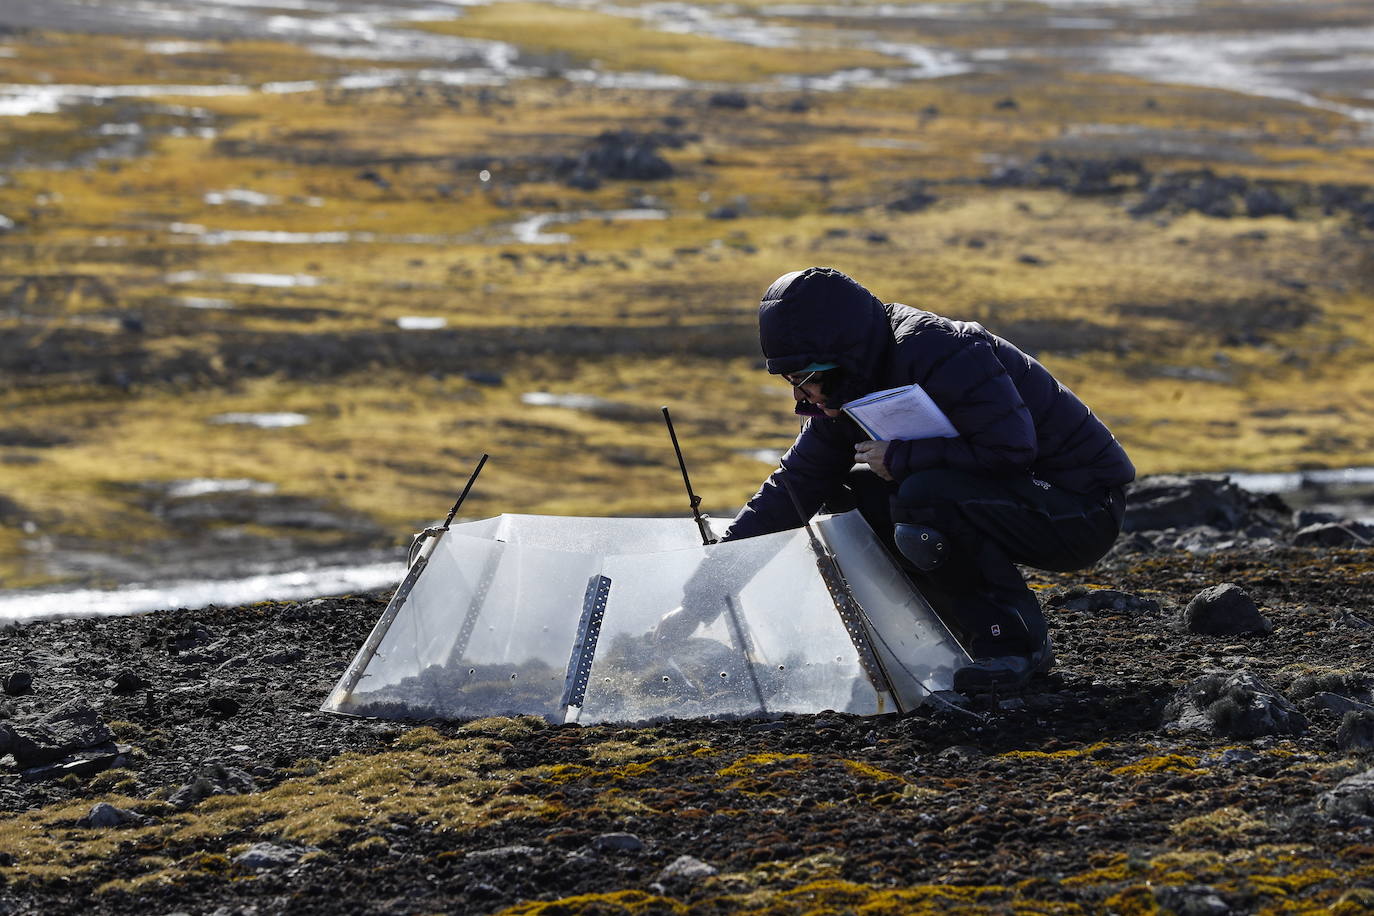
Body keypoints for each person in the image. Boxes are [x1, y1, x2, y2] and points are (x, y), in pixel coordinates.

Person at [659, 266, 1135, 695]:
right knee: (852, 496)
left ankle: (1012, 648)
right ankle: (948, 642)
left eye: (805, 376)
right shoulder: (849, 384)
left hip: (1080, 508)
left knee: (923, 495)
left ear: (841, 353)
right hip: (1013, 500)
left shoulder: (941, 351)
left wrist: (903, 457)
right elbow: (793, 488)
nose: (802, 395)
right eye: (790, 380)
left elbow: (1012, 448)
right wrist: (699, 599)